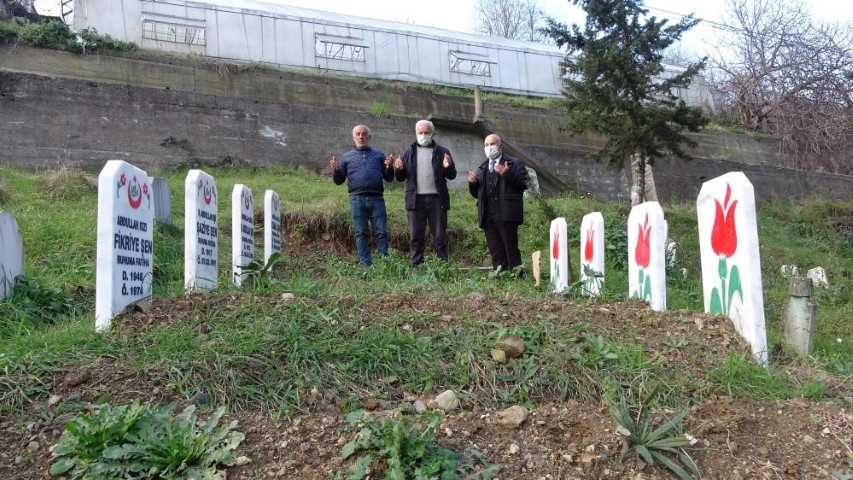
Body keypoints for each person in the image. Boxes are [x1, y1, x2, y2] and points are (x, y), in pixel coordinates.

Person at [393, 120, 457, 268]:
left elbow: (452, 175)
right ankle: (416, 266)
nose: (423, 135)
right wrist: (399, 169)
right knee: (416, 236)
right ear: (415, 134)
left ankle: (442, 266)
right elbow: (401, 177)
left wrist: (447, 167)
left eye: (426, 132)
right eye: (420, 133)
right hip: (415, 200)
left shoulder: (443, 152)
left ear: (432, 133)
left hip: (437, 200)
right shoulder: (409, 152)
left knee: (440, 236)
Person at [331, 125, 395, 266]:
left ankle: (385, 264)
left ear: (369, 137)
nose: (361, 136)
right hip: (356, 199)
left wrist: (390, 167)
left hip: (377, 199)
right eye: (358, 134)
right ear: (353, 137)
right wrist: (336, 170)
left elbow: (389, 178)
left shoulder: (379, 155)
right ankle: (365, 264)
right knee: (361, 232)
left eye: (364, 134)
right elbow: (338, 180)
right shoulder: (346, 157)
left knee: (381, 232)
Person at [468, 134, 529, 271]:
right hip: (487, 215)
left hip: (507, 213)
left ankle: (516, 275)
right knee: (495, 249)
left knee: (510, 248)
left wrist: (507, 175)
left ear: (500, 146)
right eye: (487, 145)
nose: (490, 147)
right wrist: (472, 184)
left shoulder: (515, 163)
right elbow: (476, 194)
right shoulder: (481, 168)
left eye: (493, 144)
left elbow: (525, 184)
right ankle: (500, 275)